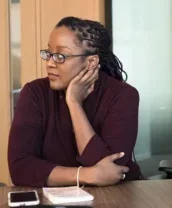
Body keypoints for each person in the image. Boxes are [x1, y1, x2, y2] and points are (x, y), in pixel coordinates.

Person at [8, 17, 142, 187]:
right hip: (51, 204)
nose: (50, 63)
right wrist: (84, 175)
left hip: (116, 200)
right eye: (49, 54)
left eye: (60, 56)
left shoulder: (123, 95)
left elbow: (111, 172)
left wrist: (74, 103)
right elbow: (20, 168)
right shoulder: (34, 93)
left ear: (91, 62)